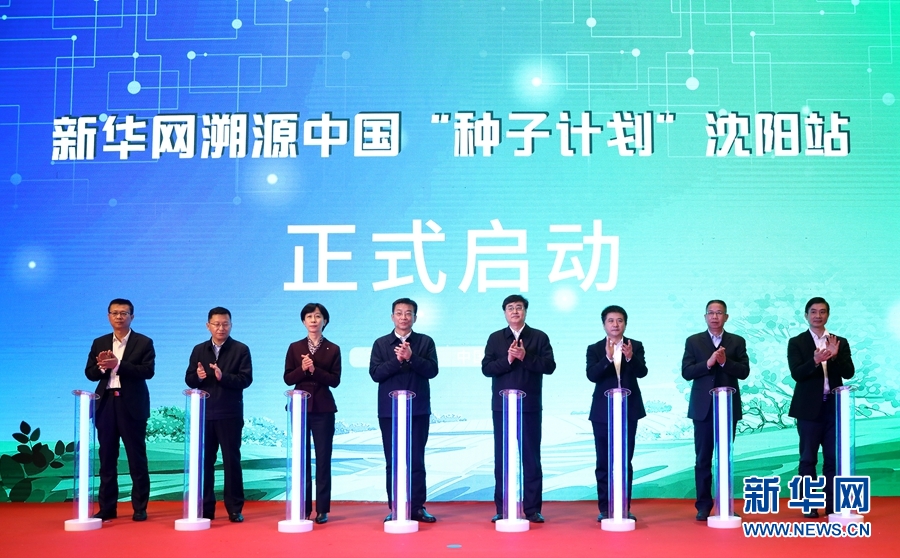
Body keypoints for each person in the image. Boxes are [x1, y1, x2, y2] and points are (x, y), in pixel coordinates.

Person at [482, 294, 556, 523]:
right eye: (510, 308)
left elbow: (550, 366)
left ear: (525, 311)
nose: (515, 311)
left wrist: (525, 357)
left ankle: (532, 509)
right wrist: (508, 360)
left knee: (531, 458)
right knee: (503, 458)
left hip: (529, 406)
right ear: (504, 312)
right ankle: (503, 508)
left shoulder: (539, 337)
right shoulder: (495, 338)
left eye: (519, 307)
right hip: (502, 408)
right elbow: (486, 368)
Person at [369, 298, 439, 523]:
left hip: (417, 411)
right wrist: (398, 360)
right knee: (393, 461)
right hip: (389, 412)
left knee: (416, 459)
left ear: (415, 318)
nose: (403, 317)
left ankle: (417, 507)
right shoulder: (381, 344)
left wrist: (411, 357)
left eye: (408, 313)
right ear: (392, 317)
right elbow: (375, 374)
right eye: (399, 313)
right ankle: (396, 507)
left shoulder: (425, 342)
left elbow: (432, 370)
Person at [84, 298, 155, 521]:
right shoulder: (99, 342)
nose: (119, 317)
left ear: (132, 317)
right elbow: (89, 373)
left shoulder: (144, 342)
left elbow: (148, 371)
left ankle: (140, 507)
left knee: (136, 458)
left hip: (131, 405)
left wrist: (118, 365)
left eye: (123, 313)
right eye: (114, 313)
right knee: (106, 458)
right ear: (108, 316)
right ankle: (107, 508)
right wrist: (101, 367)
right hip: (106, 404)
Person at [681, 300, 750, 520]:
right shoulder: (694, 341)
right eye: (711, 313)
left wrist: (724, 362)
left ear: (726, 317)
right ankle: (703, 506)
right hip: (703, 409)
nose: (714, 316)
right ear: (705, 317)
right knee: (703, 458)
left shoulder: (737, 341)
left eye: (719, 313)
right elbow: (687, 372)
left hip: (728, 409)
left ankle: (725, 503)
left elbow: (744, 372)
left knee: (725, 457)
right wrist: (709, 363)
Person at [788, 297, 854, 518]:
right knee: (808, 459)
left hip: (834, 409)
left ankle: (833, 506)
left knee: (833, 459)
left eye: (822, 311)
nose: (818, 316)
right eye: (814, 312)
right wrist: (815, 360)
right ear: (806, 315)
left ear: (828, 315)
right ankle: (809, 505)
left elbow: (849, 373)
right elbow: (797, 374)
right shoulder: (797, 342)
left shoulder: (839, 342)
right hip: (808, 410)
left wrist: (835, 357)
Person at [185, 307, 253, 523]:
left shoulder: (241, 349)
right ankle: (206, 508)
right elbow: (189, 379)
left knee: (231, 461)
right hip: (204, 414)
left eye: (225, 324)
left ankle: (234, 508)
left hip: (230, 413)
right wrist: (198, 376)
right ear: (208, 326)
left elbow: (246, 380)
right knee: (205, 462)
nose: (221, 328)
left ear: (231, 325)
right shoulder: (199, 350)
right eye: (216, 324)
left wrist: (223, 377)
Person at [586, 305, 646, 522]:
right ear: (604, 324)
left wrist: (630, 357)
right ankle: (605, 508)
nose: (615, 324)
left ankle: (623, 507)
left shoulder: (635, 346)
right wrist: (608, 358)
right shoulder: (594, 348)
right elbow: (592, 375)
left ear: (625, 324)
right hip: (603, 412)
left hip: (629, 410)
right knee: (603, 461)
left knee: (624, 461)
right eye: (611, 321)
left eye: (619, 320)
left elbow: (642, 372)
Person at [284, 302, 341, 525]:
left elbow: (335, 381)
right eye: (309, 316)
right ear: (303, 321)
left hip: (323, 409)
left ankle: (322, 509)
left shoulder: (333, 348)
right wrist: (302, 369)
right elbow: (288, 378)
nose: (314, 320)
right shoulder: (295, 347)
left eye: (318, 316)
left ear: (325, 321)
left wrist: (314, 370)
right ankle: (303, 506)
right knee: (301, 459)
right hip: (300, 408)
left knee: (323, 459)